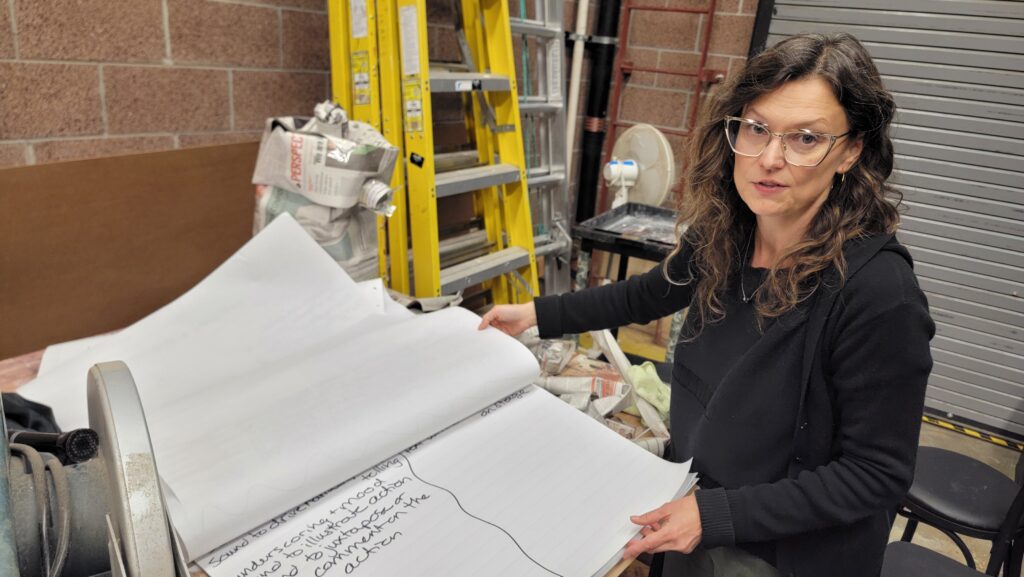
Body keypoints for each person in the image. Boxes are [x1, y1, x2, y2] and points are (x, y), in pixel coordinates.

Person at [479, 33, 934, 577]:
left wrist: (713, 515)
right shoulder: (730, 233)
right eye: (757, 128)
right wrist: (536, 314)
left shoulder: (879, 294)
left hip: (784, 552)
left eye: (805, 139)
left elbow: (875, 473)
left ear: (851, 151)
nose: (769, 159)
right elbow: (648, 293)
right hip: (696, 504)